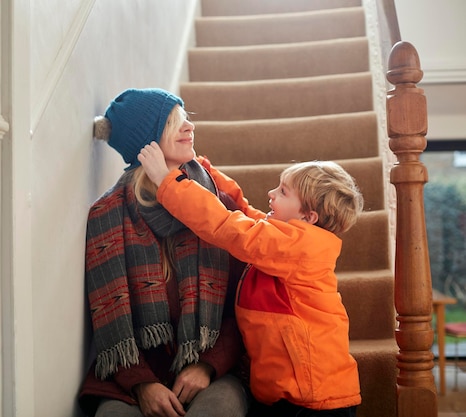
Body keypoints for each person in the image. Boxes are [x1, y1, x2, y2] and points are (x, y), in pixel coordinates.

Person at [138, 142, 364, 417]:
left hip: (314, 399)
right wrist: (207, 172)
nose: (271, 194)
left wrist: (167, 181)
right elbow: (244, 212)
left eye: (282, 192)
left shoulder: (300, 248)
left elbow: (229, 226)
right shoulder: (284, 239)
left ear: (308, 216)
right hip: (284, 392)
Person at [78, 88, 249, 417]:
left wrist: (207, 368)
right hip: (130, 374)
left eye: (186, 118)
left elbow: (240, 309)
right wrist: (143, 384)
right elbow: (109, 320)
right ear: (146, 144)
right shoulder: (108, 216)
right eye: (174, 122)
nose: (190, 127)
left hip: (210, 367)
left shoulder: (215, 206)